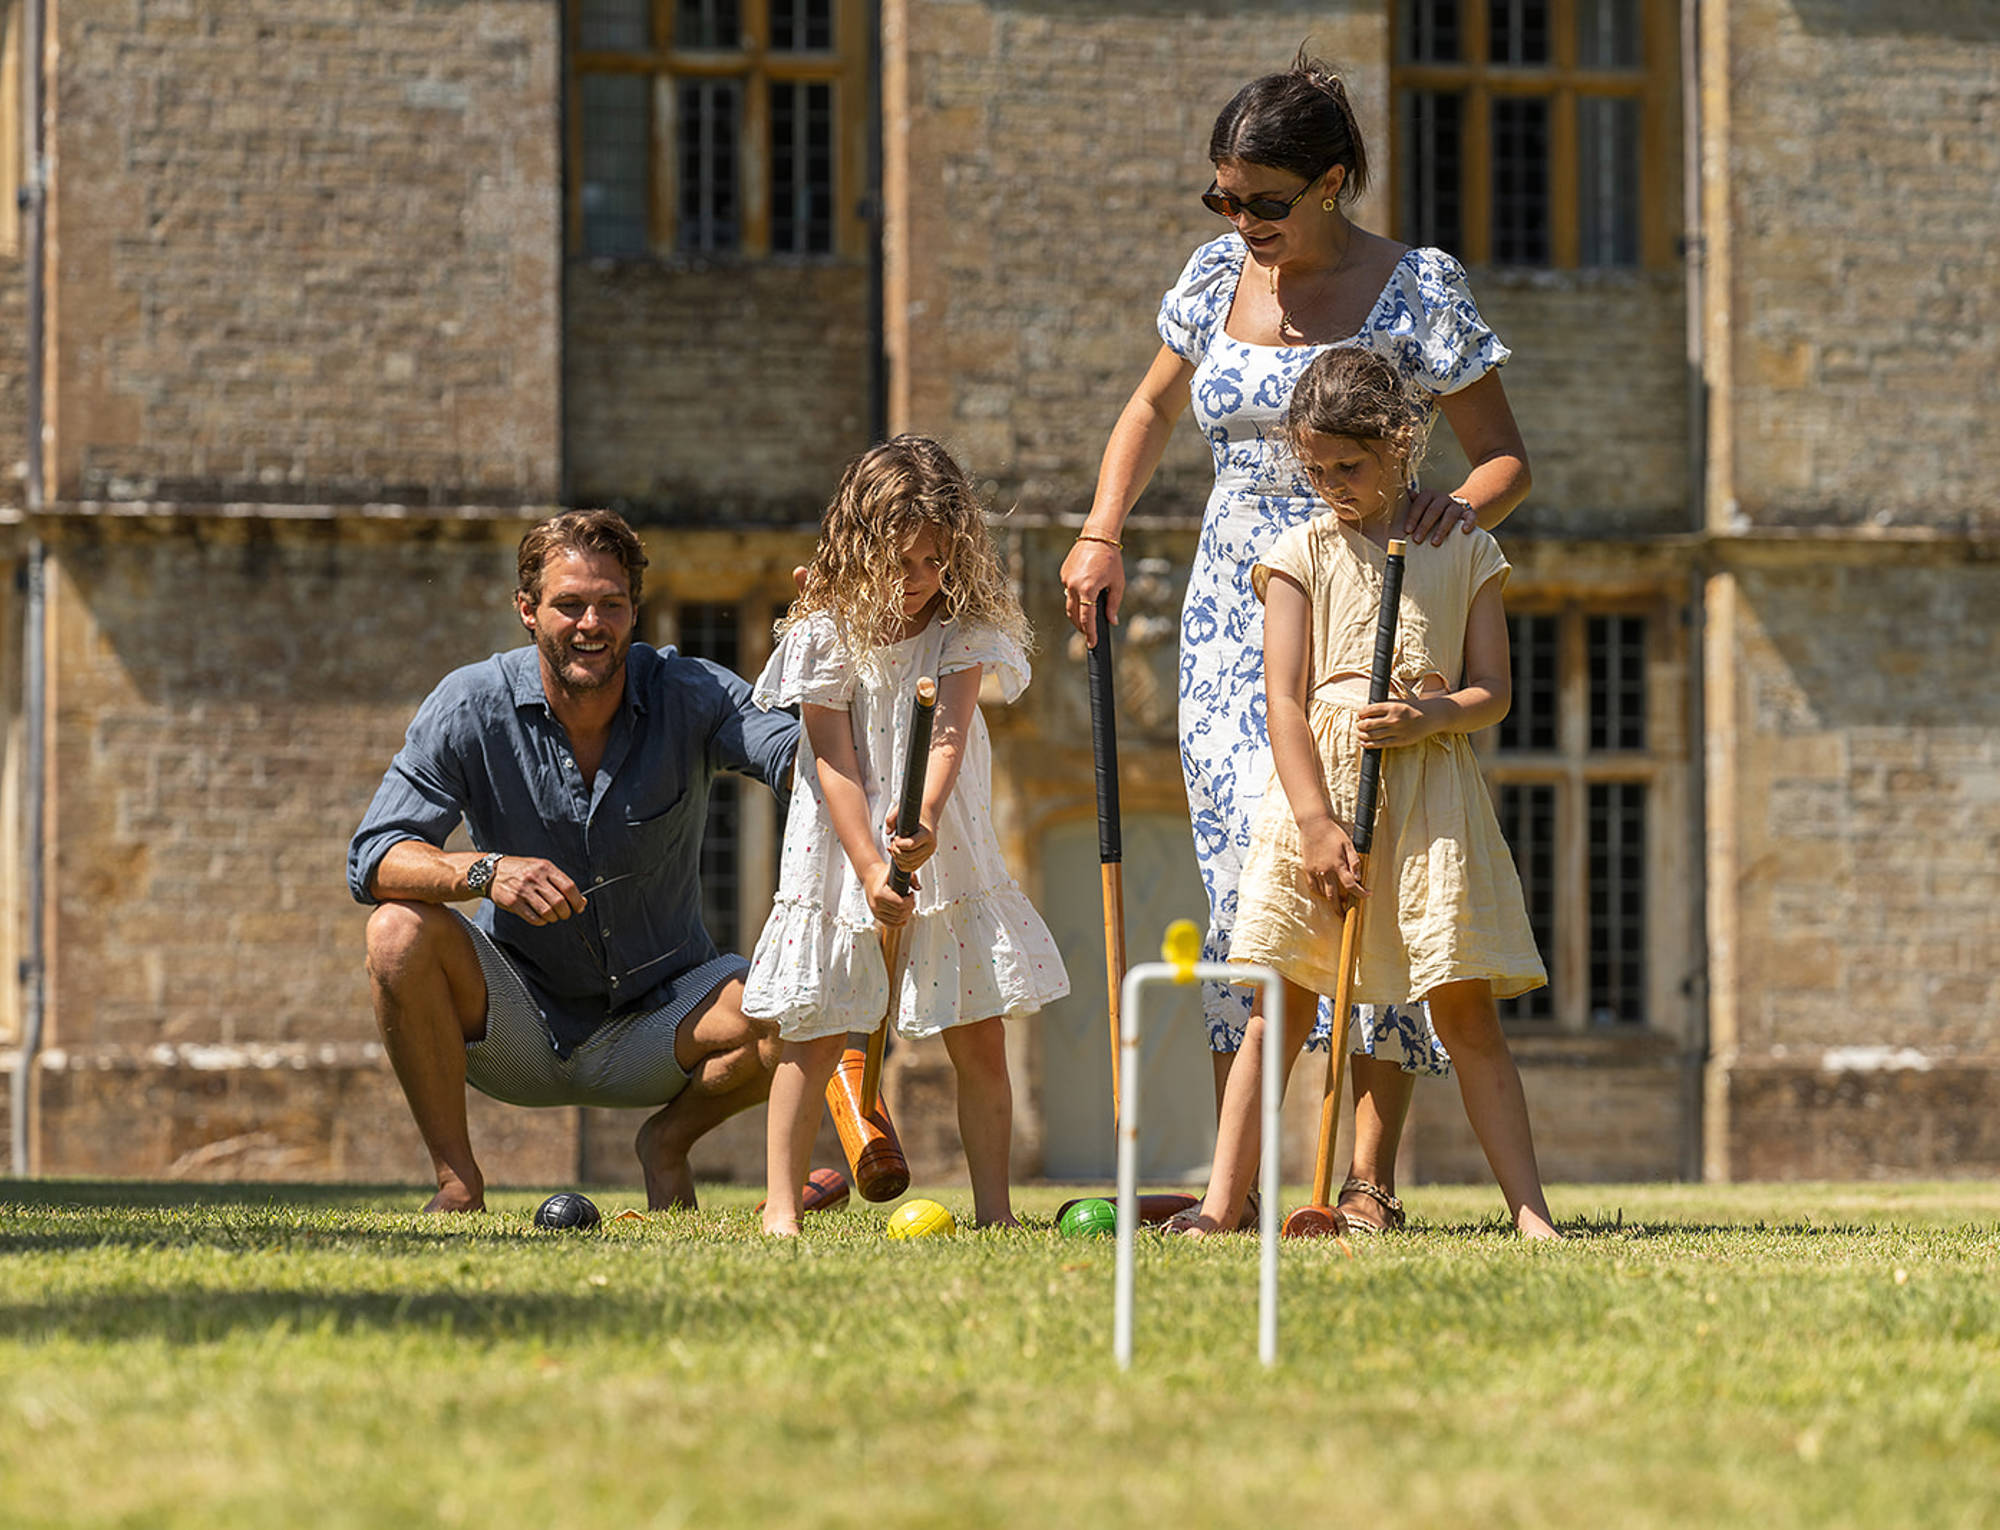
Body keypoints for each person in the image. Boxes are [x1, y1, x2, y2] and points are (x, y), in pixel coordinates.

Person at [1059, 51, 1532, 1233]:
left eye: (1263, 200)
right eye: (1222, 197)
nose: (1240, 220)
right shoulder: (1215, 273)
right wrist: (1100, 531)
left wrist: (1452, 511)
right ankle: (1244, 1188)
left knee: (1370, 863)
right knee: (1256, 884)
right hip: (1235, 616)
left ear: (1332, 182)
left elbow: (1505, 456)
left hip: (1372, 593)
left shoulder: (1416, 288)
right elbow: (1152, 406)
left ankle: (1364, 1179)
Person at [1174, 347, 1557, 1239]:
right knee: (1282, 1005)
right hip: (1321, 796)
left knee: (1460, 1006)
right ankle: (1223, 1208)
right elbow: (1284, 700)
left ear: (1401, 441)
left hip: (1429, 799)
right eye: (1316, 469)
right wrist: (1314, 821)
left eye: (1350, 465)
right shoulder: (1299, 551)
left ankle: (1532, 1215)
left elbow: (1493, 692)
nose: (1333, 485)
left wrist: (1433, 718)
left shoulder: (1465, 549)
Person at [348, 510, 799, 1214]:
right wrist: (486, 870)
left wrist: (842, 725)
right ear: (527, 610)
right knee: (395, 932)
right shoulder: (469, 705)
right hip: (515, 1021)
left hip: (666, 1015)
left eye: (611, 605)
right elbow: (374, 857)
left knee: (792, 1001)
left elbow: (787, 751)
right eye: (569, 605)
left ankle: (668, 1143)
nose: (592, 623)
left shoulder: (692, 691)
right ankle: (458, 1184)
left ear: (634, 611)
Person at [745, 436, 1069, 1236]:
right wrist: (867, 864)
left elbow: (951, 734)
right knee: (813, 1029)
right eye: (897, 561)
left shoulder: (963, 629)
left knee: (979, 1034)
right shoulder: (825, 631)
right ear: (857, 551)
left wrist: (920, 822)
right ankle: (780, 1210)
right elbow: (832, 758)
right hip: (838, 836)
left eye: (932, 560)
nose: (915, 579)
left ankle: (995, 1212)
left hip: (944, 835)